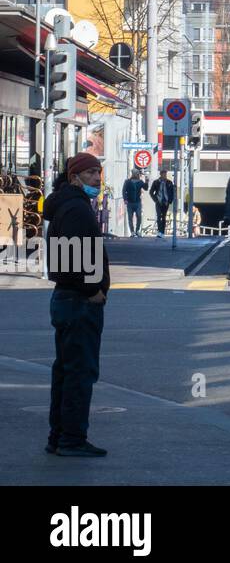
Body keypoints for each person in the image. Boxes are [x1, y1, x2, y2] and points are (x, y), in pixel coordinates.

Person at [45, 152, 111, 457]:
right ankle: (71, 439)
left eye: (98, 173)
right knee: (79, 373)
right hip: (78, 301)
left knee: (67, 371)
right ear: (74, 178)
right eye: (90, 174)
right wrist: (91, 290)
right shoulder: (76, 209)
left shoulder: (68, 205)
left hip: (68, 298)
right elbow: (72, 258)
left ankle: (59, 436)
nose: (97, 179)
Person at [150, 169, 176, 237]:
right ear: (161, 174)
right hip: (158, 201)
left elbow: (172, 192)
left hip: (166, 202)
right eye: (163, 174)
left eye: (165, 174)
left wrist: (170, 200)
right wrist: (155, 199)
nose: (165, 175)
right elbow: (151, 192)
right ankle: (159, 231)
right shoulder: (156, 182)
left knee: (163, 217)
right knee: (159, 216)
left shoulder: (169, 182)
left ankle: (162, 232)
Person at [121, 169, 146, 237]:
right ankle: (132, 231)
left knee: (139, 216)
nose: (137, 175)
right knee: (130, 217)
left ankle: (137, 230)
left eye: (137, 173)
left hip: (138, 202)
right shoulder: (127, 182)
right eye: (135, 173)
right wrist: (125, 199)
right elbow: (124, 191)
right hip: (130, 202)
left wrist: (146, 181)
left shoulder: (140, 182)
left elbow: (146, 188)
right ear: (133, 174)